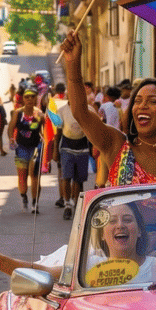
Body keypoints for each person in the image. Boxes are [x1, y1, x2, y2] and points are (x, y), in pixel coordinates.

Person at [61, 30, 156, 256]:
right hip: (115, 244)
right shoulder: (116, 145)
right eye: (138, 101)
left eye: (153, 101)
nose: (142, 106)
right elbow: (80, 112)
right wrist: (72, 64)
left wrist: (147, 245)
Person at [0, 198, 156, 285]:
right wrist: (1, 262)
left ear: (140, 230)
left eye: (128, 219)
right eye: (111, 221)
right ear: (103, 234)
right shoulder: (86, 266)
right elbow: (43, 274)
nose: (120, 225)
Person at [56, 90, 92, 220]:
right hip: (67, 148)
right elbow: (58, 133)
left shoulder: (88, 110)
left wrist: (94, 148)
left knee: (78, 179)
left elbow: (92, 130)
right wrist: (55, 151)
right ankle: (67, 205)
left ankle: (74, 202)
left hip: (82, 149)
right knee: (66, 177)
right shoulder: (62, 110)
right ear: (67, 97)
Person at [8, 85, 44, 211]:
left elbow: (44, 131)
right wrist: (11, 139)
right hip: (21, 148)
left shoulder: (39, 114)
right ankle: (24, 196)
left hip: (35, 148)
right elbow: (10, 128)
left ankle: (35, 203)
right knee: (22, 176)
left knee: (35, 176)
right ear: (23, 98)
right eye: (26, 97)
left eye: (32, 97)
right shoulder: (17, 113)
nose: (29, 99)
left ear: (36, 99)